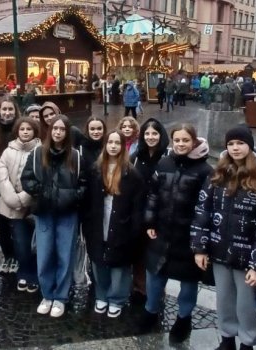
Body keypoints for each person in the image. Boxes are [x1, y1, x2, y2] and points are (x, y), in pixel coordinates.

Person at [191, 126, 256, 350]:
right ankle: (227, 338)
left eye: (240, 143)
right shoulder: (218, 175)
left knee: (246, 304)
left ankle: (247, 342)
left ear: (249, 146)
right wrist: (200, 248)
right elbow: (203, 211)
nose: (235, 148)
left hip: (247, 256)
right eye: (231, 144)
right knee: (224, 299)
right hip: (219, 250)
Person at [137, 124, 213, 343]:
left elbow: (205, 207)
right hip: (161, 231)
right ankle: (150, 311)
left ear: (194, 142)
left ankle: (183, 318)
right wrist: (150, 220)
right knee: (155, 275)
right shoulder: (164, 163)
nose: (181, 144)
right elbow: (153, 194)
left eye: (185, 140)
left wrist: (200, 242)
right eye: (177, 140)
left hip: (188, 236)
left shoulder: (205, 170)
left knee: (188, 281)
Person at [20, 115, 86, 318]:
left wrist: (72, 197)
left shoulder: (75, 156)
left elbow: (83, 183)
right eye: (55, 128)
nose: (58, 132)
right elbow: (27, 178)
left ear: (67, 132)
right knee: (45, 254)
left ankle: (61, 297)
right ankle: (47, 294)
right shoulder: (38, 153)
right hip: (44, 211)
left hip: (67, 213)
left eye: (62, 129)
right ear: (49, 131)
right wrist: (41, 192)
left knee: (65, 255)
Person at [84, 130, 145, 318]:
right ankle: (101, 295)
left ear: (122, 146)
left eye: (117, 143)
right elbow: (87, 199)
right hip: (98, 221)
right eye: (110, 142)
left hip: (121, 223)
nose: (113, 146)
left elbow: (137, 205)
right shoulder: (96, 169)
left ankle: (116, 298)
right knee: (99, 261)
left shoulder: (131, 173)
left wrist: (134, 229)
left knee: (119, 265)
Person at [0, 117, 41, 293]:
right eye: (22, 129)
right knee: (21, 244)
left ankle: (36, 275)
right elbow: (3, 177)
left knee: (36, 245)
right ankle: (24, 273)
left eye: (29, 129)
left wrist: (24, 198)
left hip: (32, 207)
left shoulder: (40, 150)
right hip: (12, 206)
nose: (25, 132)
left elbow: (39, 178)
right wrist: (14, 200)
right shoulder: (8, 151)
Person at [129, 118, 170, 303]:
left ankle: (155, 290)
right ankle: (139, 287)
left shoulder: (167, 157)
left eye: (154, 133)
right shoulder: (136, 157)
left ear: (160, 135)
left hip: (159, 215)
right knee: (137, 252)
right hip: (137, 212)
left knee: (156, 255)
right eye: (147, 133)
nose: (151, 137)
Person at [0, 95, 22, 274]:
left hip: (18, 186)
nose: (7, 113)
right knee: (2, 223)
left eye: (10, 109)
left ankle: (18, 256)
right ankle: (8, 256)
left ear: (15, 111)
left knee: (17, 223)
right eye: (4, 109)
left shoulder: (21, 130)